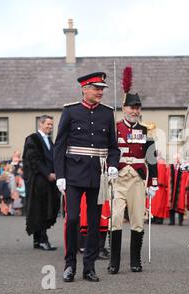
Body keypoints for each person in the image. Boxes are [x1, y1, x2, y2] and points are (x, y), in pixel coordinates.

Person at [54, 72, 120, 282]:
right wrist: (60, 175)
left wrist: (113, 165)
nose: (100, 92)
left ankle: (89, 267)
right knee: (72, 219)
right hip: (73, 175)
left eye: (102, 89)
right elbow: (59, 146)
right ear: (84, 89)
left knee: (93, 223)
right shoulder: (70, 111)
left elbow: (113, 148)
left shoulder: (107, 114)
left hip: (98, 175)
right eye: (96, 88)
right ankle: (70, 264)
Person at [108, 66, 158, 274]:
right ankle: (114, 262)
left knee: (138, 219)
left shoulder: (144, 130)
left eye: (138, 108)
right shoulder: (114, 128)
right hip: (118, 178)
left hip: (137, 178)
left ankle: (135, 260)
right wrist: (109, 167)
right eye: (132, 107)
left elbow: (151, 157)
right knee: (116, 217)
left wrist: (154, 181)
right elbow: (108, 150)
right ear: (124, 108)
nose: (135, 111)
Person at [22, 115, 59, 251]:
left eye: (51, 124)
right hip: (39, 181)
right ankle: (42, 239)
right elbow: (33, 159)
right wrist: (47, 174)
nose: (50, 126)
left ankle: (37, 240)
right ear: (41, 124)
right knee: (41, 209)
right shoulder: (32, 139)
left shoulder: (49, 140)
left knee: (45, 208)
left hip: (49, 181)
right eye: (48, 124)